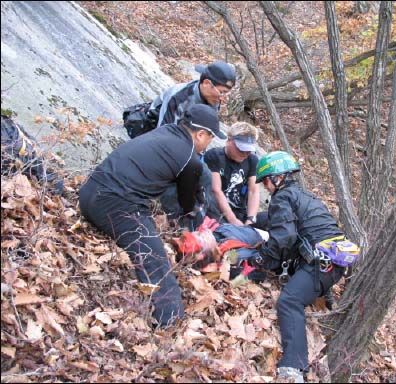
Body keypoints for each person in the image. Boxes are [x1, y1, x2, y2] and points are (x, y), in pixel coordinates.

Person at [79, 104, 225, 328]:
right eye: (210, 138)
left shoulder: (164, 132)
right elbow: (187, 205)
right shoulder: (189, 157)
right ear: (200, 134)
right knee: (156, 264)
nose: (208, 144)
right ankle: (171, 323)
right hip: (114, 205)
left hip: (89, 192)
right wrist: (197, 229)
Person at [251, 151, 352, 383]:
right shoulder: (303, 196)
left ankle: (293, 367)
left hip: (320, 265)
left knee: (289, 301)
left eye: (266, 180)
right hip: (331, 263)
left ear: (278, 177)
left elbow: (283, 238)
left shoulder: (282, 198)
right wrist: (252, 220)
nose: (265, 186)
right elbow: (279, 223)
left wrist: (260, 259)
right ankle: (323, 296)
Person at [151, 61, 236, 227]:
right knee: (175, 184)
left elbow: (205, 131)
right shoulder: (179, 97)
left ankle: (211, 222)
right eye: (222, 92)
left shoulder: (213, 99)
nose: (221, 98)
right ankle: (179, 225)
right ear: (206, 83)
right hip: (159, 141)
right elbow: (162, 136)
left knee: (204, 176)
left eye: (226, 94)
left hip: (187, 144)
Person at [204, 121, 263, 227]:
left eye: (248, 150)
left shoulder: (252, 160)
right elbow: (216, 190)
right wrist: (232, 219)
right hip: (217, 211)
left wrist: (251, 219)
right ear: (229, 141)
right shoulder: (214, 156)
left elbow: (253, 190)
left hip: (240, 210)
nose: (245, 154)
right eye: (241, 149)